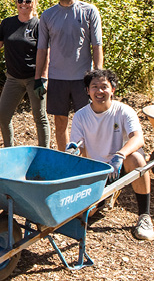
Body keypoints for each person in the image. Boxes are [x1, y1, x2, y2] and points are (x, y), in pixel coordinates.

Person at [67, 69, 153, 240]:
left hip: (120, 167)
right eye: (94, 87)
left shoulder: (123, 111)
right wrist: (71, 150)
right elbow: (77, 146)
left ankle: (144, 216)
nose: (99, 91)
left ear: (112, 89)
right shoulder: (81, 116)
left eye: (104, 87)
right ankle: (103, 199)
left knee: (137, 158)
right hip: (97, 172)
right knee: (84, 214)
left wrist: (120, 155)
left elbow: (138, 139)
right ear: (88, 91)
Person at [35, 0, 103, 152]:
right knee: (60, 122)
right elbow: (42, 49)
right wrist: (38, 78)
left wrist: (98, 76)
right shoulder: (48, 15)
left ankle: (88, 163)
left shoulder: (89, 11)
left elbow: (97, 45)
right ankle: (65, 160)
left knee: (89, 123)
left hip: (84, 78)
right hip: (57, 78)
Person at [0, 0, 49, 147]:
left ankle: (45, 152)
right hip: (13, 78)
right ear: (16, 3)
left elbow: (46, 52)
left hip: (33, 78)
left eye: (28, 1)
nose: (24, 4)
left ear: (33, 4)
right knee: (3, 115)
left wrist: (42, 78)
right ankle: (9, 149)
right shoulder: (8, 23)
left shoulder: (39, 25)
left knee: (39, 116)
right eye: (21, 1)